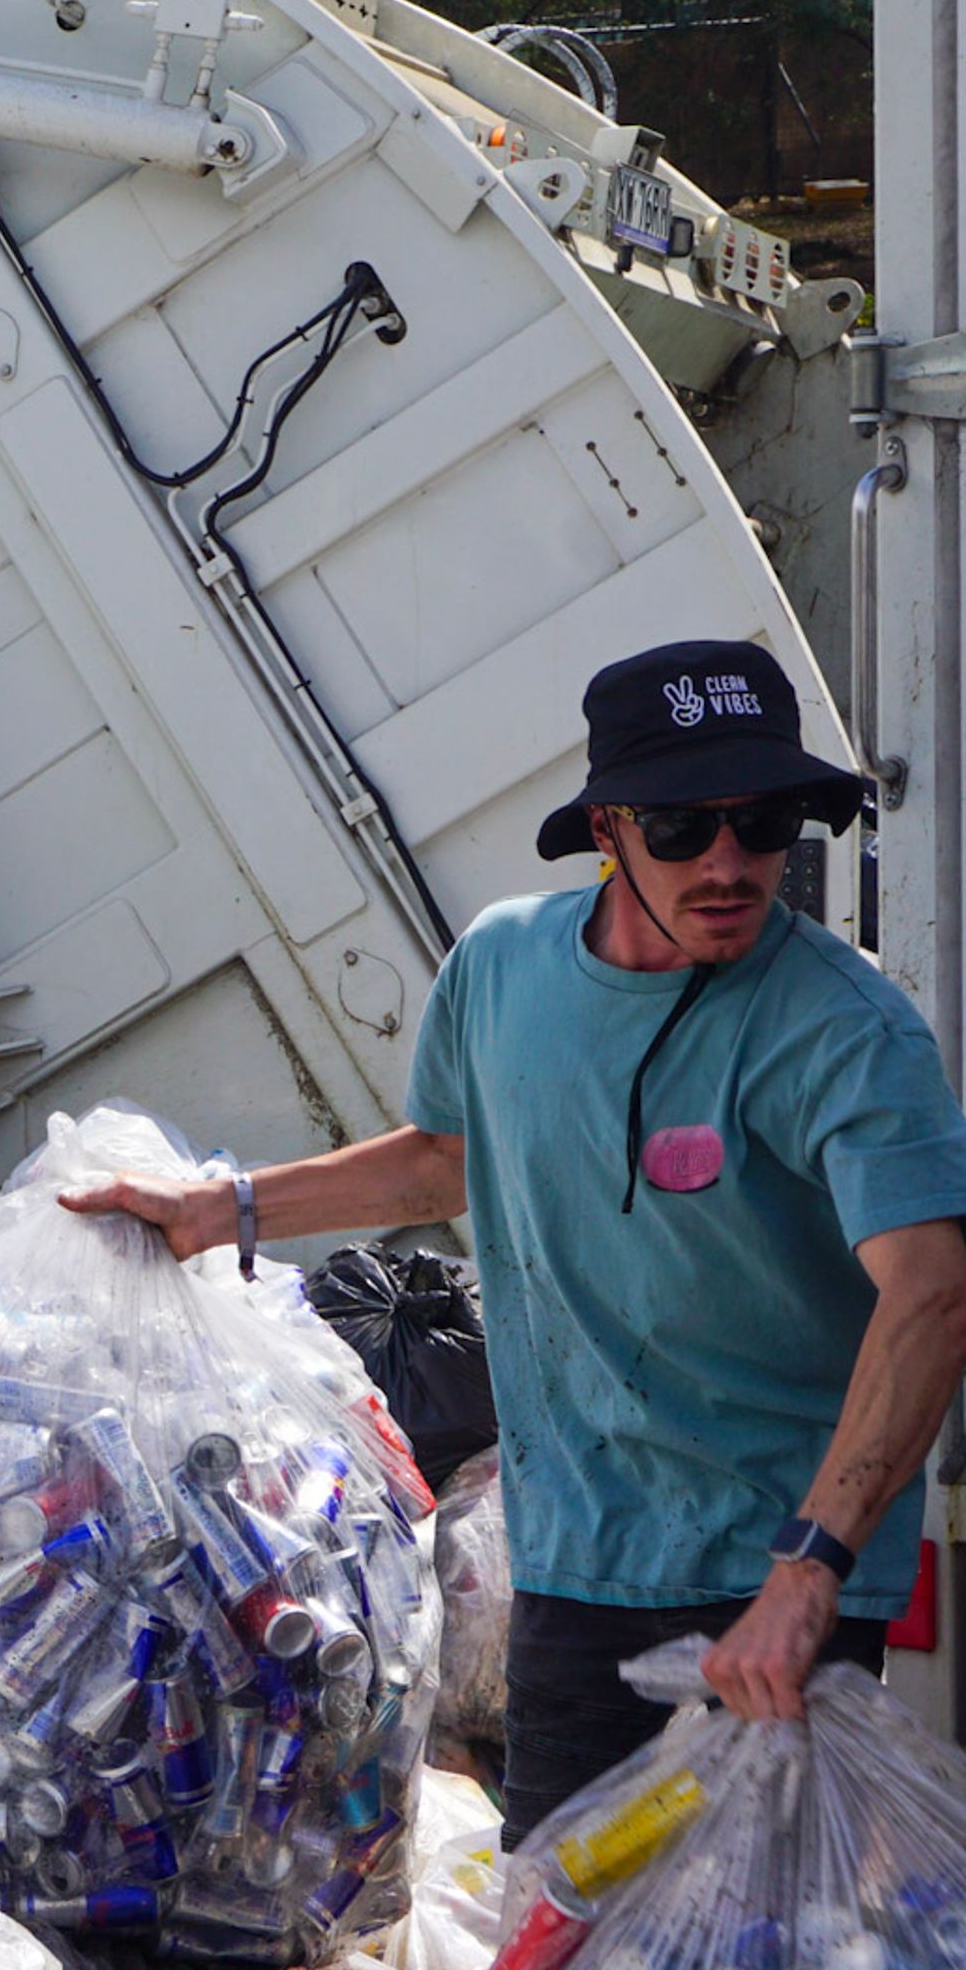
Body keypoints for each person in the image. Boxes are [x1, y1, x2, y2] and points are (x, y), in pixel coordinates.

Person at [64, 639, 966, 1846]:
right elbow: (447, 1155)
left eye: (765, 823)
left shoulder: (850, 1030)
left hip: (776, 1581)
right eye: (685, 829)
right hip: (574, 1569)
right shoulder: (500, 966)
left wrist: (812, 1570)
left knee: (759, 1934)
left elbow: (932, 1297)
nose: (732, 863)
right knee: (563, 1916)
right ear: (609, 828)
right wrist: (216, 1212)